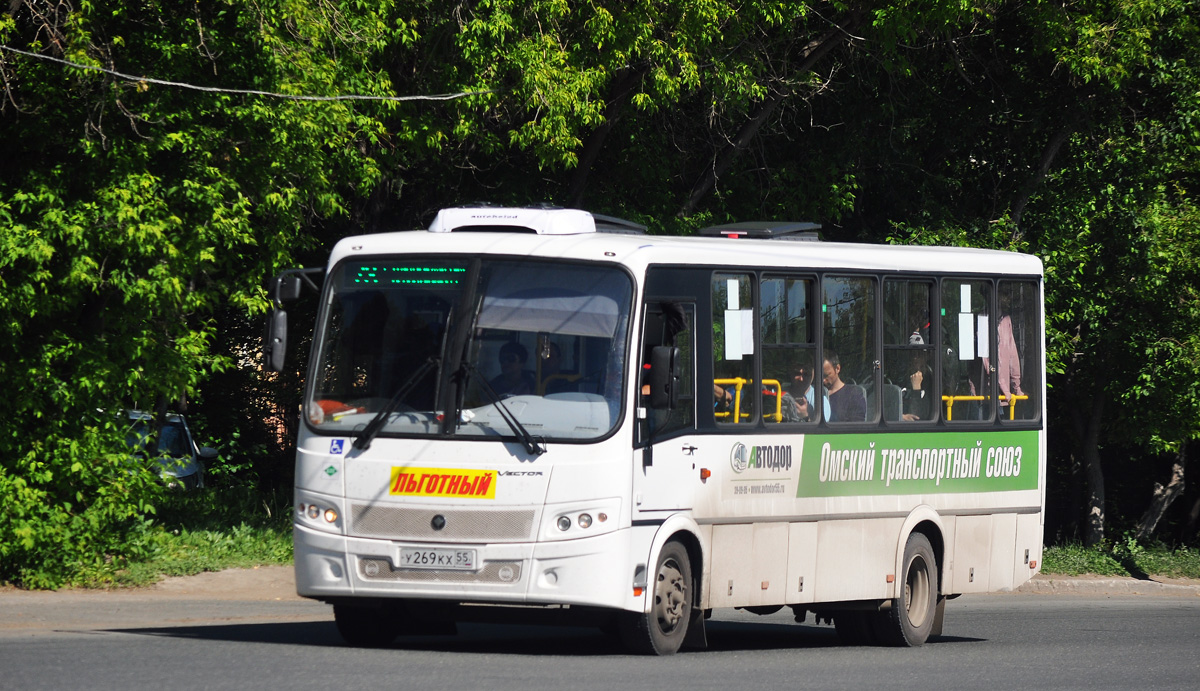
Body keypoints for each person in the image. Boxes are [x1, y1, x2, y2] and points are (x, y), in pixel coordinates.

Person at [823, 350, 866, 422]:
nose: (823, 380)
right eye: (820, 376)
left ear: (837, 368)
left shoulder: (853, 395)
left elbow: (858, 425)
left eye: (826, 375)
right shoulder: (815, 394)